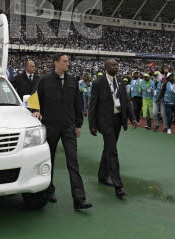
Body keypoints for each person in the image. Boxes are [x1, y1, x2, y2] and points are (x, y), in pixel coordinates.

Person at [32, 53, 92, 210]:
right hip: (50, 126)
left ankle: (79, 199)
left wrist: (78, 125)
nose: (68, 64)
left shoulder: (72, 81)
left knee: (73, 162)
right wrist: (35, 110)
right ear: (56, 63)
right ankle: (48, 191)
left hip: (68, 127)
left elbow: (77, 103)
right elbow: (34, 97)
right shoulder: (44, 81)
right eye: (65, 61)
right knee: (49, 160)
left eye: (68, 61)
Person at [89, 59, 138, 198]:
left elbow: (126, 102)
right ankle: (118, 186)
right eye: (113, 65)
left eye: (117, 65)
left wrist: (132, 118)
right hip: (105, 121)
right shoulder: (99, 83)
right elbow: (93, 104)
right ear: (106, 67)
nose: (116, 67)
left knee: (109, 149)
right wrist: (92, 125)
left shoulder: (121, 82)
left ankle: (102, 176)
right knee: (112, 152)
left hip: (118, 121)